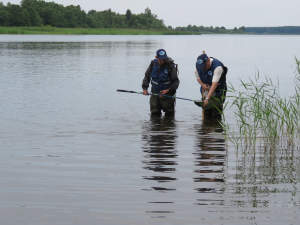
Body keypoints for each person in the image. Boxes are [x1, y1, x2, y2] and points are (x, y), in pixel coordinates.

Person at [142, 49, 180, 115]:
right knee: (154, 114)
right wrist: (145, 89)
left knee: (169, 115)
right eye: (161, 59)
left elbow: (176, 81)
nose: (163, 61)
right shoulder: (153, 64)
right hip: (155, 93)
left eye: (164, 59)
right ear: (156, 57)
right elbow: (147, 76)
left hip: (167, 94)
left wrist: (168, 90)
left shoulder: (170, 66)